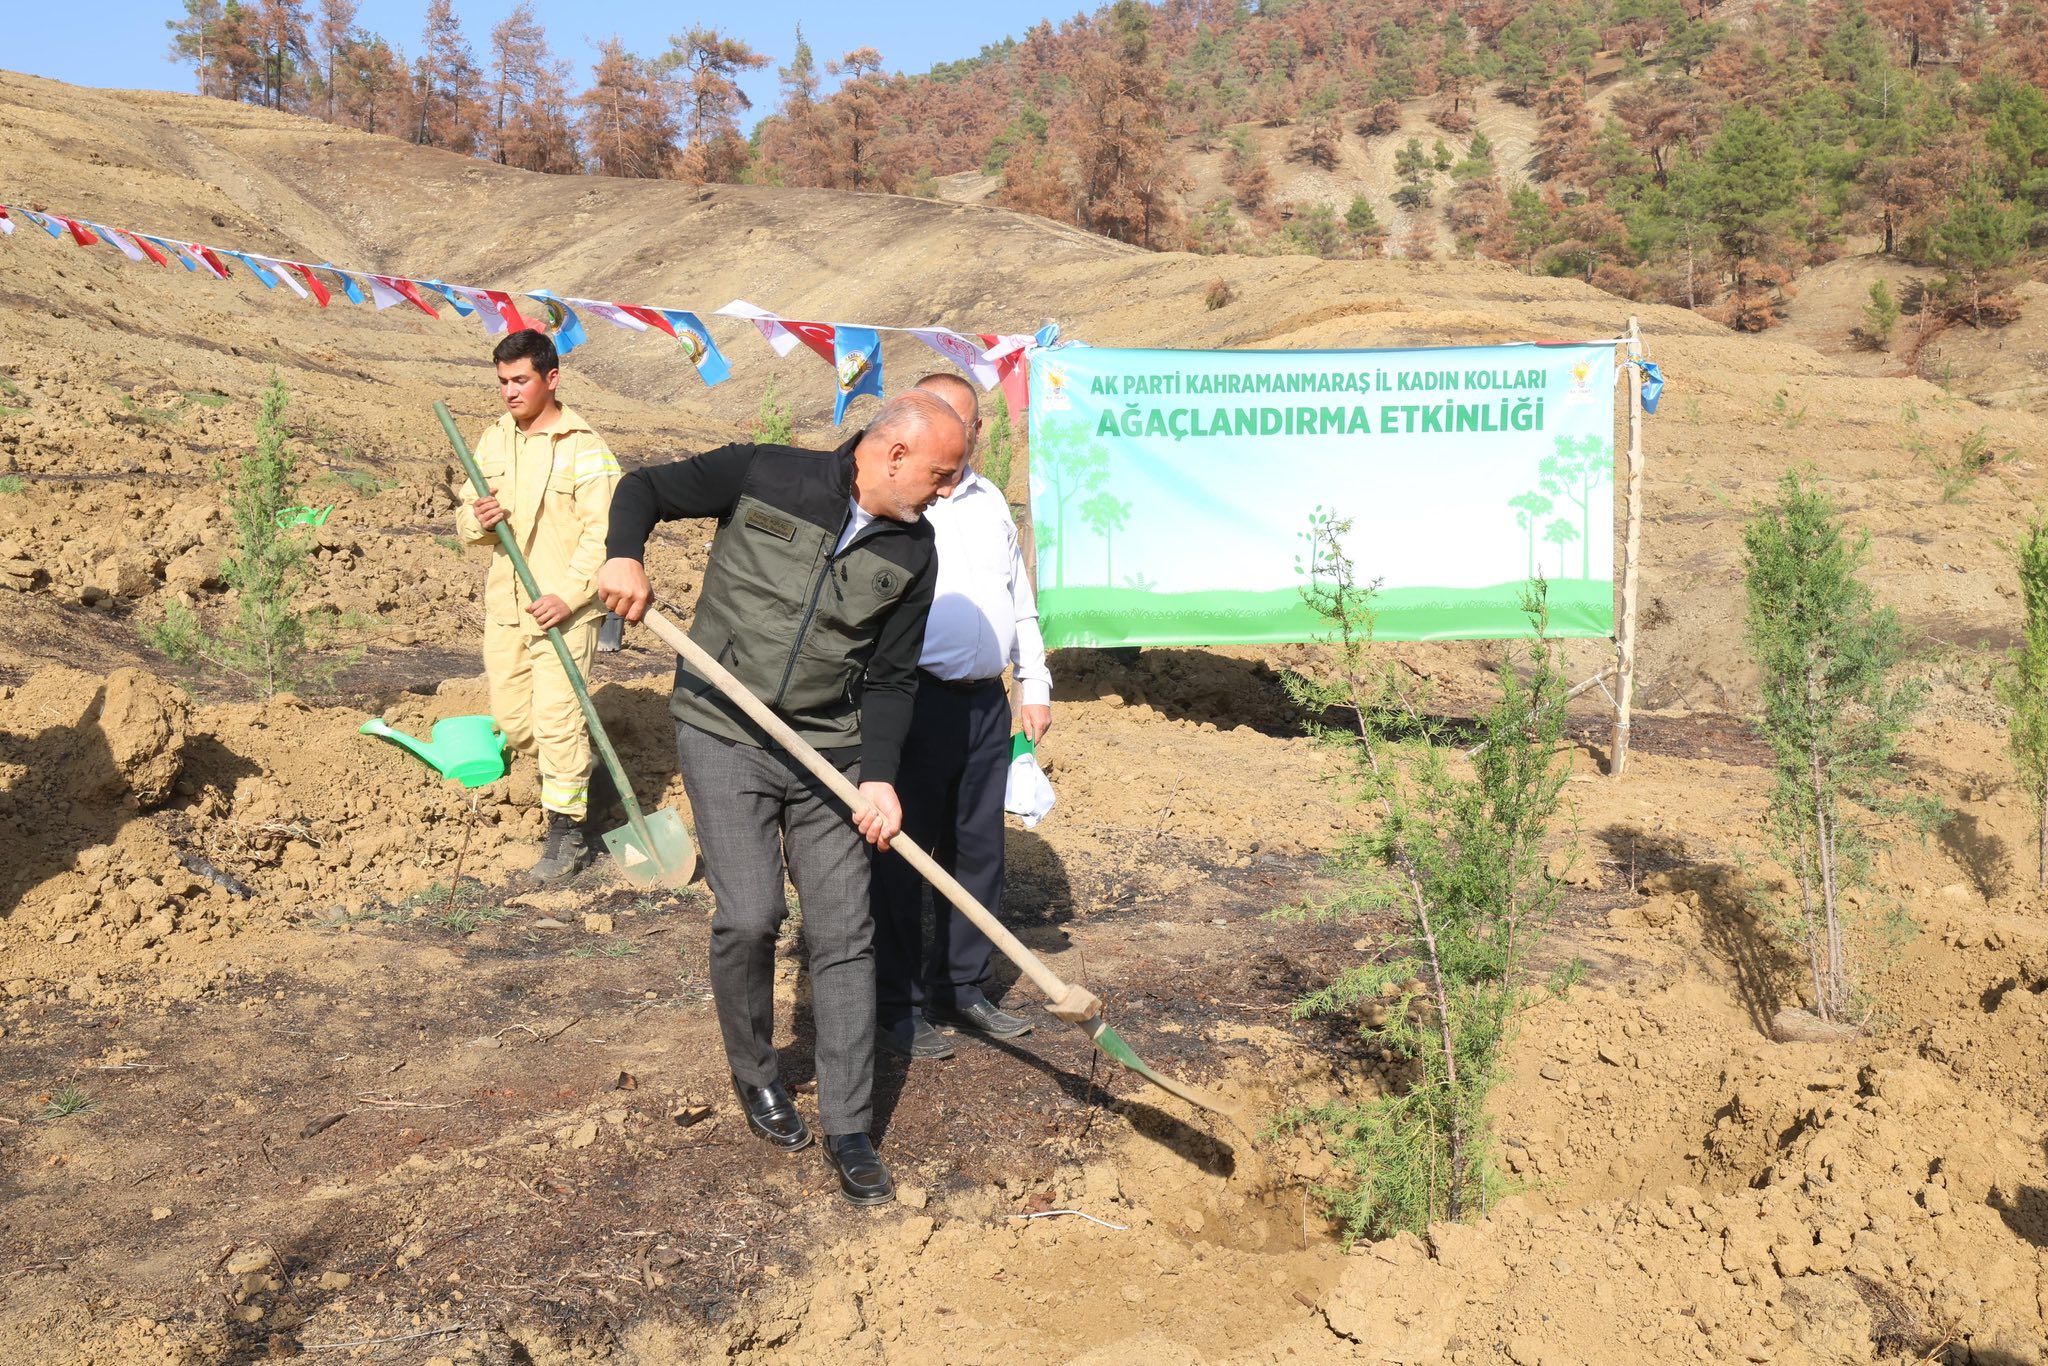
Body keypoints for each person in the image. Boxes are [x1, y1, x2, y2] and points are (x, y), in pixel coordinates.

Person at [596, 391, 967, 1207]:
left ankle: (849, 1124)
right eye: (942, 474)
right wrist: (626, 554)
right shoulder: (766, 473)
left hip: (828, 752)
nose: (946, 490)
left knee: (843, 929)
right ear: (894, 452)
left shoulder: (916, 551)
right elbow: (643, 489)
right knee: (752, 915)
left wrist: (878, 775)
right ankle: (757, 1073)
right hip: (723, 728)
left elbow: (891, 676)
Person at [870, 373, 1053, 1061]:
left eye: (965, 423)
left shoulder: (987, 503)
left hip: (984, 702)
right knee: (899, 855)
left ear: (976, 430)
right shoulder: (900, 499)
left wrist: (1033, 683)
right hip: (910, 701)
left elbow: (1019, 596)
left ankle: (963, 984)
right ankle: (898, 1004)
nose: (954, 435)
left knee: (979, 849)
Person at [453, 329, 620, 882]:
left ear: (551, 379)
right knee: (515, 721)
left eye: (520, 380)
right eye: (502, 381)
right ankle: (588, 773)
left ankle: (568, 835)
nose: (509, 392)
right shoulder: (494, 439)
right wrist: (475, 522)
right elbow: (464, 520)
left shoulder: (586, 448)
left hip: (566, 611)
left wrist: (569, 596)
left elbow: (605, 538)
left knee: (555, 721)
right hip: (508, 605)